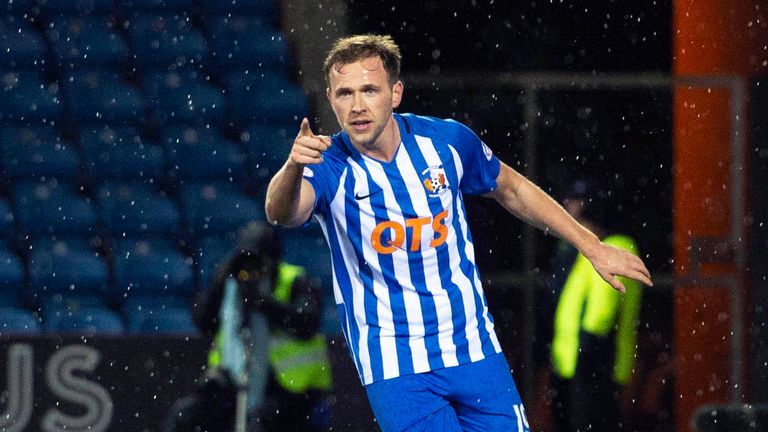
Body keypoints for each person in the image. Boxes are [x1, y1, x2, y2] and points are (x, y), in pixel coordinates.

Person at [264, 34, 653, 432]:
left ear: (395, 93)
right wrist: (292, 166)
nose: (358, 105)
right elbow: (281, 211)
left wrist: (592, 247)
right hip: (395, 362)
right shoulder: (326, 164)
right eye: (345, 93)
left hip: (472, 347)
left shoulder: (446, 142)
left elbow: (513, 189)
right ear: (330, 98)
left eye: (369, 90)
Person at [190, 221, 333, 432]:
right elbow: (202, 320)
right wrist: (222, 279)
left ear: (274, 260)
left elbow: (308, 322)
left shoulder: (295, 281)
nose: (252, 270)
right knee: (187, 416)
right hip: (235, 383)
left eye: (258, 262)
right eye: (245, 263)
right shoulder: (231, 285)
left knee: (261, 422)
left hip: (294, 392)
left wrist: (265, 304)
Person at [548, 179, 644, 432]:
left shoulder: (615, 247)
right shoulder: (584, 252)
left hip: (596, 362)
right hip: (578, 362)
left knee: (592, 422)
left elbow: (601, 312)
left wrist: (586, 351)